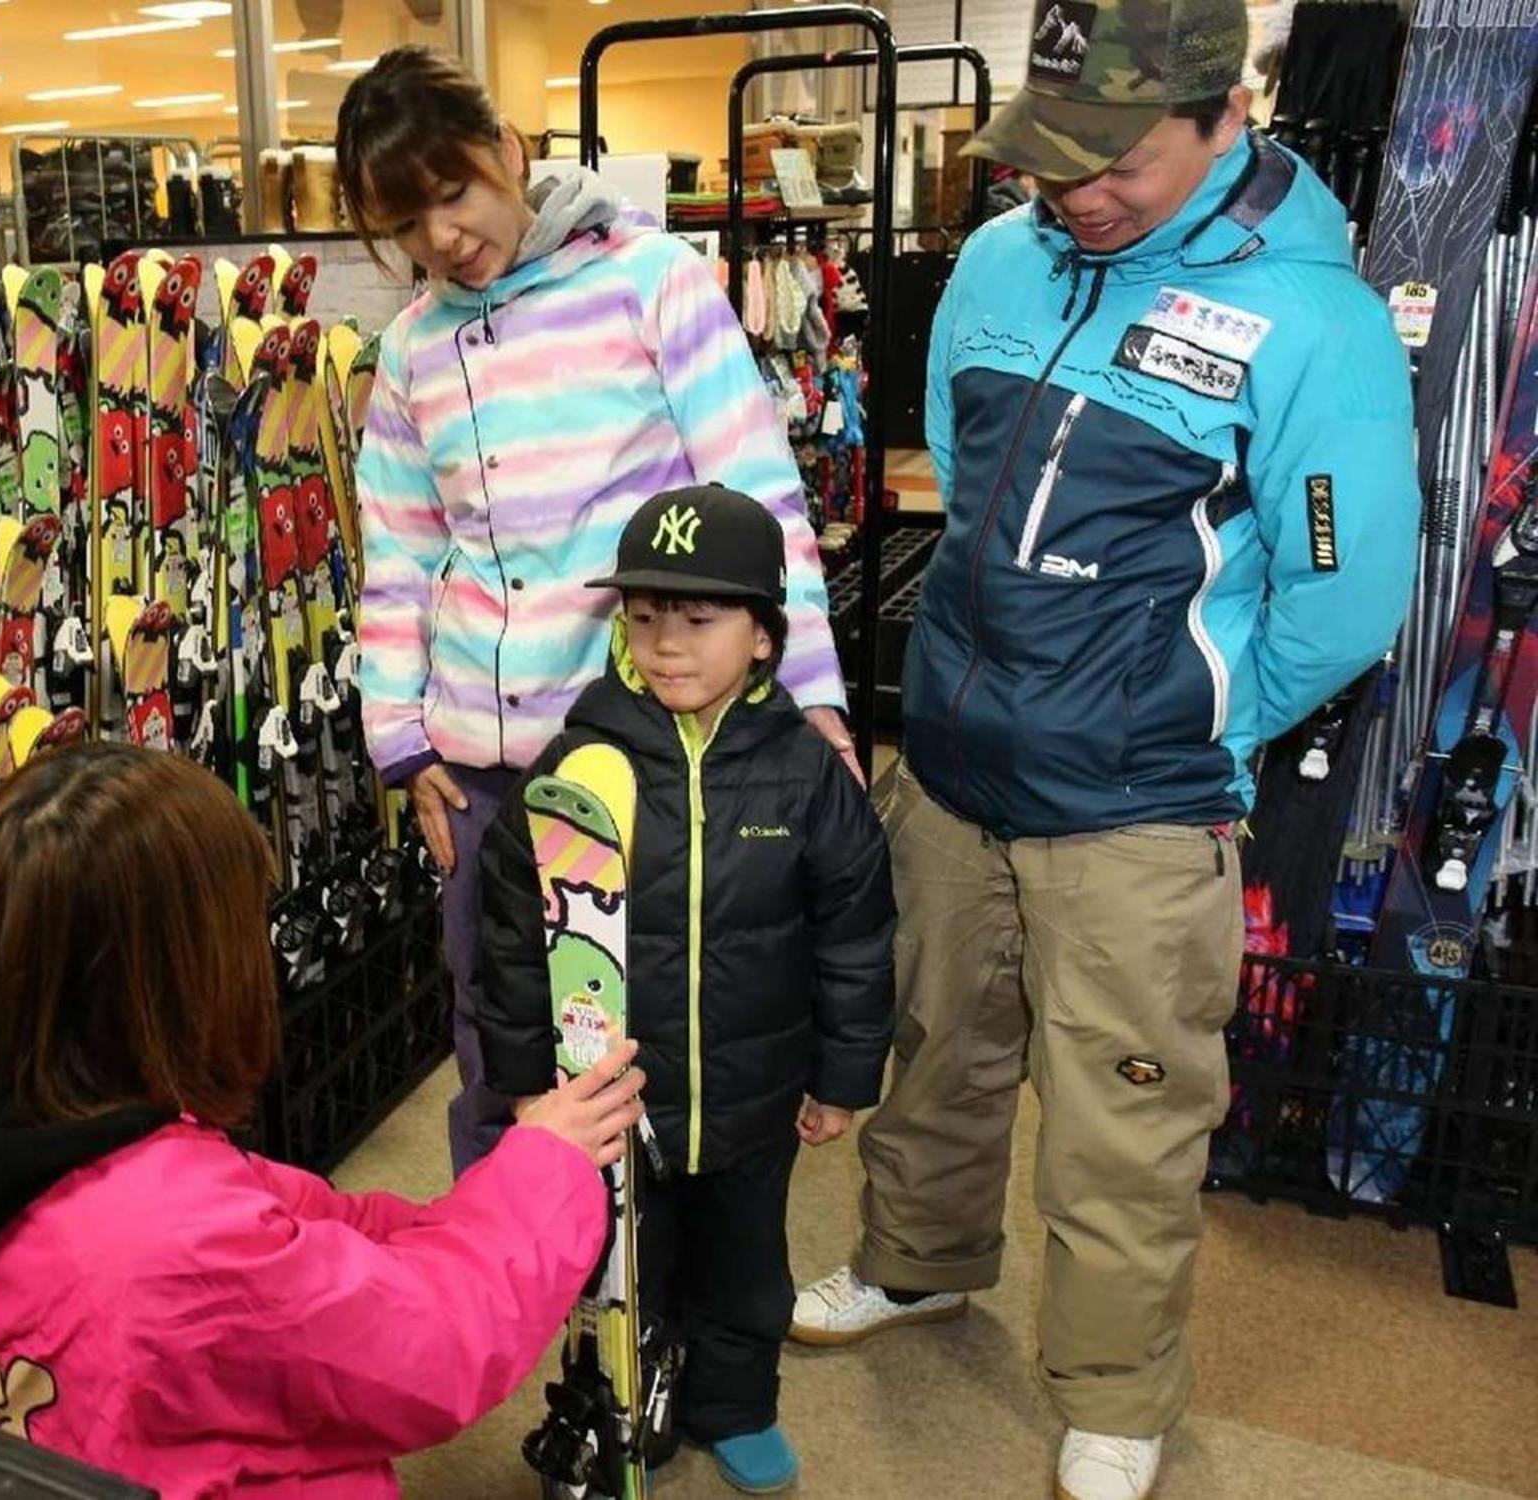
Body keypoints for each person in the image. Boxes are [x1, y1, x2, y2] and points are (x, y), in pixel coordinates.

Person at [788, 4, 1420, 1500]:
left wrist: (1195, 719)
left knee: (1123, 1116)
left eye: (1115, 158)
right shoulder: (1003, 263)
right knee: (935, 1043)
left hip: (1135, 810)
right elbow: (949, 449)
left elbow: (1347, 601)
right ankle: (919, 1261)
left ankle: (1117, 1387)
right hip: (948, 764)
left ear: (1227, 111)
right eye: (1050, 153)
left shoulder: (1312, 318)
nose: (1075, 191)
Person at [0, 742, 649, 1499]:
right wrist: (546, 1166)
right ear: (168, 977)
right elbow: (436, 1346)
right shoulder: (169, 1238)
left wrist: (458, 1220)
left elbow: (279, 1229)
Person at [337, 47, 858, 1177]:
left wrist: (810, 698)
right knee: (503, 1050)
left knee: (653, 1042)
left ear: (506, 149)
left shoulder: (649, 280)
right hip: (482, 772)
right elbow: (398, 556)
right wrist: (400, 737)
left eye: (452, 190)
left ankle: (652, 1309)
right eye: (403, 221)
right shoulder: (414, 349)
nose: (440, 236)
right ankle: (507, 1279)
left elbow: (761, 503)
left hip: (646, 756)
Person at [479, 485, 896, 1495]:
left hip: (753, 1097)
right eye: (644, 616)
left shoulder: (805, 775)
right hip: (620, 1099)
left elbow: (855, 934)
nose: (667, 643)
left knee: (746, 1272)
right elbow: (508, 936)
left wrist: (842, 1077)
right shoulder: (581, 765)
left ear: (761, 636)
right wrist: (526, 1084)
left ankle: (733, 1404)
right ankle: (633, 1410)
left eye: (698, 619)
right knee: (627, 1271)